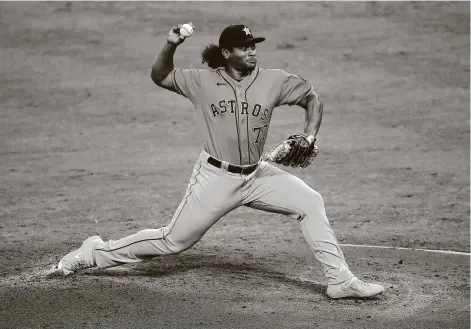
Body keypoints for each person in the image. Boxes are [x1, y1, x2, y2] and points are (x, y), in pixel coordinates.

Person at [56, 23, 385, 299]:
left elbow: (311, 97)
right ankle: (92, 253)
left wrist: (309, 135)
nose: (252, 52)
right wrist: (171, 44)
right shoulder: (201, 81)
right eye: (244, 48)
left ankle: (340, 280)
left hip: (258, 176)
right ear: (227, 54)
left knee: (310, 202)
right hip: (216, 178)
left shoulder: (273, 80)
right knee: (173, 241)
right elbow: (160, 75)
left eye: (253, 46)